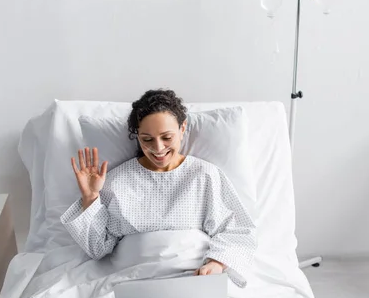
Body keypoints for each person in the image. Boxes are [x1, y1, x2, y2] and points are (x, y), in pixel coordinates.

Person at [60, 90, 257, 287]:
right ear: (137, 136)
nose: (159, 148)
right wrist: (90, 196)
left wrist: (217, 263)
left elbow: (238, 231)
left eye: (167, 137)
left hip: (193, 279)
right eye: (147, 139)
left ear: (183, 129)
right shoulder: (116, 181)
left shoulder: (204, 176)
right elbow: (98, 248)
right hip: (131, 280)